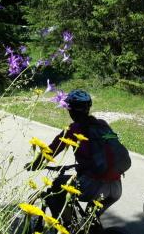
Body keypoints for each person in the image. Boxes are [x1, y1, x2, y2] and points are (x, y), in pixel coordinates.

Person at [26, 89, 123, 226]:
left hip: (94, 185)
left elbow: (51, 150)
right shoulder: (103, 125)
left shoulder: (73, 130)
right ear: (88, 108)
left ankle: (68, 226)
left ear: (70, 110)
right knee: (90, 223)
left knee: (58, 185)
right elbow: (113, 148)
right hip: (116, 186)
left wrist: (35, 164)